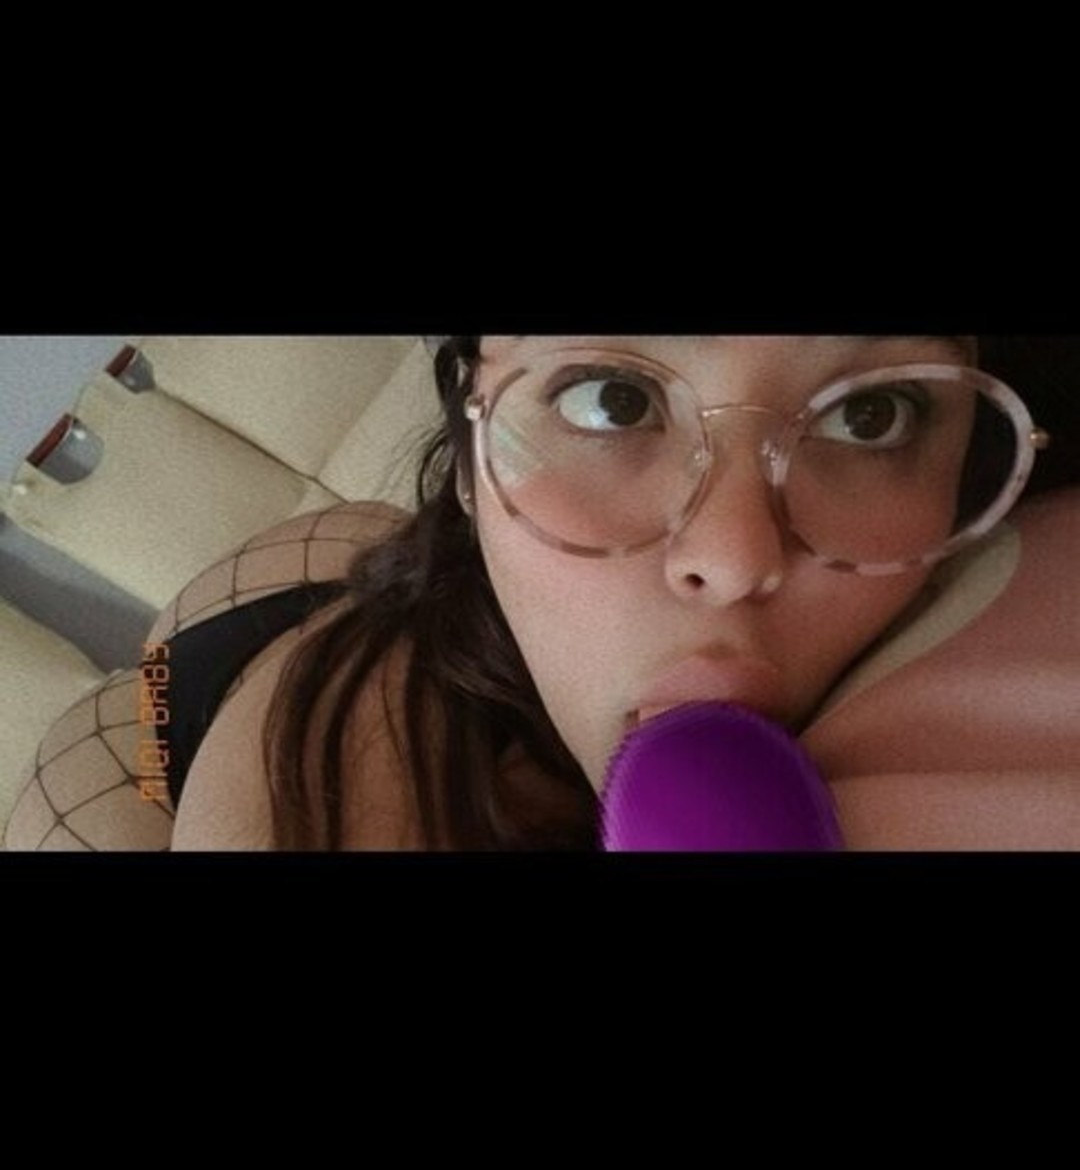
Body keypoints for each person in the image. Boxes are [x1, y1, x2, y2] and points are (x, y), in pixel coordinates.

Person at [4, 333, 1078, 852]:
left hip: (372, 573)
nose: (734, 554)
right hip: (207, 667)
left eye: (870, 416)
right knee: (125, 742)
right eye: (612, 398)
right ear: (469, 453)